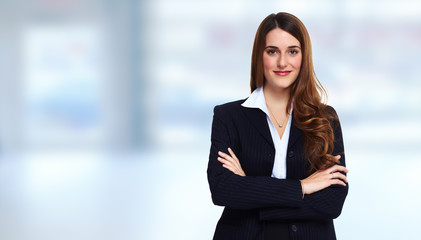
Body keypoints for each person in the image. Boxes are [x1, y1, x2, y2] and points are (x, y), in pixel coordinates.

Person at [207, 12, 349, 240]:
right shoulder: (229, 116)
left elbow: (331, 202)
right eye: (272, 51)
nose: (282, 62)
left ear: (304, 57)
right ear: (259, 56)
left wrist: (250, 188)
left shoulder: (325, 118)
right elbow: (223, 190)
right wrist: (302, 187)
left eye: (292, 51)